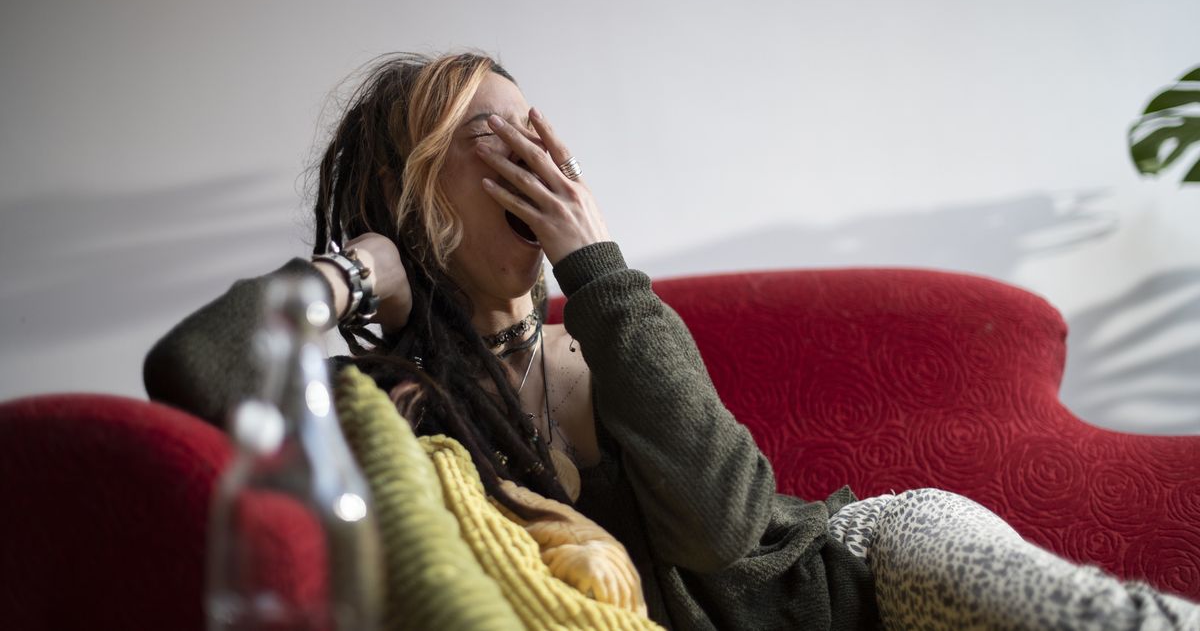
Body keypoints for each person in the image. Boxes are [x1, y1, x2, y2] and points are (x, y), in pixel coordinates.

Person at [145, 52, 1199, 630]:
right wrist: (350, 268)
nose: (538, 160)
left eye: (540, 131)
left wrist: (596, 265)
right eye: (488, 136)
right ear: (401, 187)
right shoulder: (390, 409)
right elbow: (197, 368)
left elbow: (728, 532)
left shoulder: (606, 337)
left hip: (872, 567)